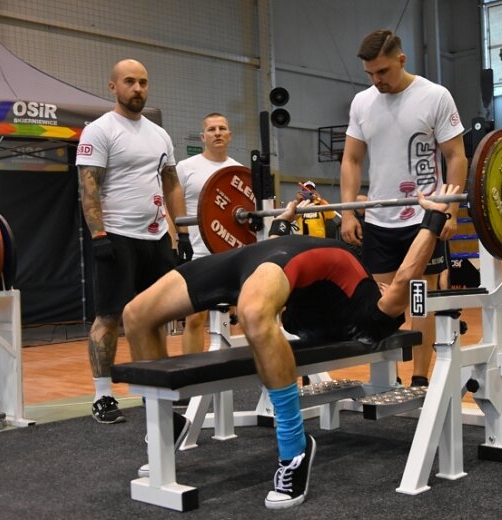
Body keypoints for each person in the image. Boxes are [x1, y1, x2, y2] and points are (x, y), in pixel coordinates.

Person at [123, 184, 462, 509]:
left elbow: (405, 276)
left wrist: (433, 220)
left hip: (278, 262)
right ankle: (169, 423)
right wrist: (284, 220)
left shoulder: (375, 318)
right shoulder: (365, 300)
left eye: (389, 289)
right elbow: (280, 258)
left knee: (254, 313)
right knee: (136, 314)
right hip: (259, 256)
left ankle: (294, 448)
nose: (386, 284)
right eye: (384, 284)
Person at [340, 29, 468, 387]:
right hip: (380, 220)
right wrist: (349, 211)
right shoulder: (362, 102)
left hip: (424, 218)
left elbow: (456, 156)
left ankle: (421, 379)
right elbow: (351, 159)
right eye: (370, 74)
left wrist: (451, 210)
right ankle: (387, 382)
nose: (376, 80)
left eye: (382, 71)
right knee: (381, 306)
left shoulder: (434, 96)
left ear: (401, 59)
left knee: (419, 301)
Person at [76, 58, 191, 424]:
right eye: (129, 82)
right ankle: (103, 396)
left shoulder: (159, 135)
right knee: (109, 317)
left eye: (142, 82)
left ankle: (153, 389)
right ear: (113, 86)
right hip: (116, 236)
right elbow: (88, 185)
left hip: (155, 237)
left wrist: (183, 230)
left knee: (153, 316)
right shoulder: (99, 130)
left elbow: (171, 183)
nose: (137, 88)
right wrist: (98, 235)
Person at [176, 112, 242, 355]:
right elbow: (171, 207)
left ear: (229, 135)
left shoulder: (238, 170)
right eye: (212, 129)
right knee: (194, 318)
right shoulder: (185, 168)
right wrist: (177, 242)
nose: (217, 133)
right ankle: (191, 376)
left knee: (234, 316)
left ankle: (233, 375)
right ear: (203, 136)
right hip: (197, 253)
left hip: (231, 254)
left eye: (222, 128)